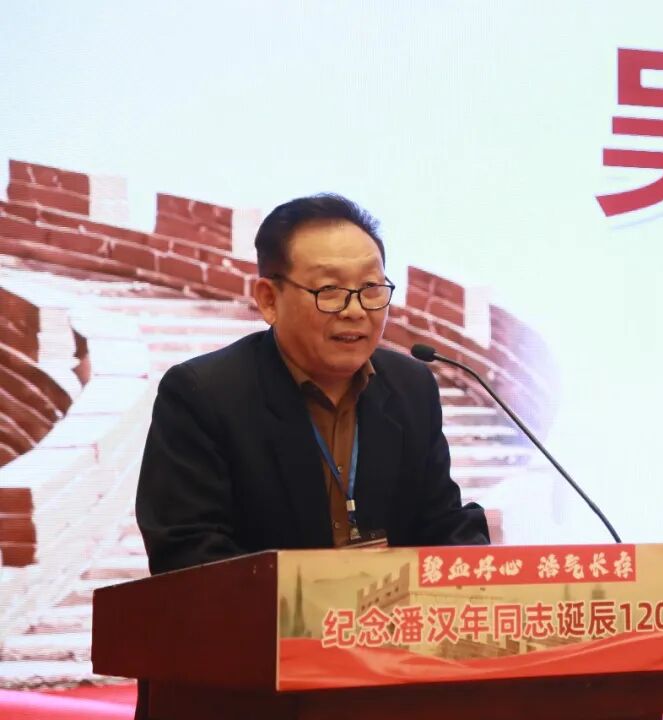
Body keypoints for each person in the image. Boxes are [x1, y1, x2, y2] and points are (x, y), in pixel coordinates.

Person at [135, 194, 489, 575]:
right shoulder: (204, 396)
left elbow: (441, 522)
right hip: (266, 614)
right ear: (269, 300)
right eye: (329, 291)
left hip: (389, 612)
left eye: (371, 288)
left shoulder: (411, 388)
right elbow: (188, 556)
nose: (355, 310)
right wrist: (321, 594)